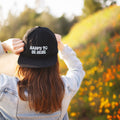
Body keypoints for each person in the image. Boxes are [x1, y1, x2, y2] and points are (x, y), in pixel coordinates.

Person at [0, 26, 85, 120]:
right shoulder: (65, 88)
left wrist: (3, 46)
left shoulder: (5, 88)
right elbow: (77, 69)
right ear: (54, 61)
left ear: (23, 59)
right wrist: (61, 46)